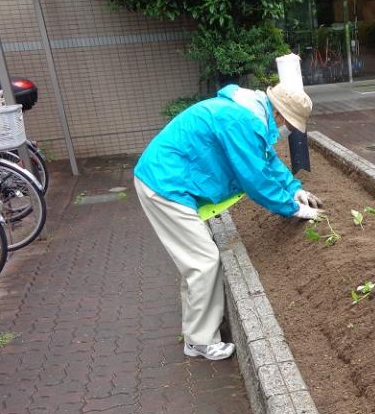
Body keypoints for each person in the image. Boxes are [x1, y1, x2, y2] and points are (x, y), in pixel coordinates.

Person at [134, 68, 322, 361]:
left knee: (194, 262)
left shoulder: (248, 113)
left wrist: (293, 188)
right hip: (165, 185)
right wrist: (293, 208)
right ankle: (200, 342)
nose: (287, 131)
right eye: (289, 125)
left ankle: (195, 332)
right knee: (204, 262)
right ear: (280, 114)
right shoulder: (239, 121)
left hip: (167, 180)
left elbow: (265, 159)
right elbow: (254, 177)